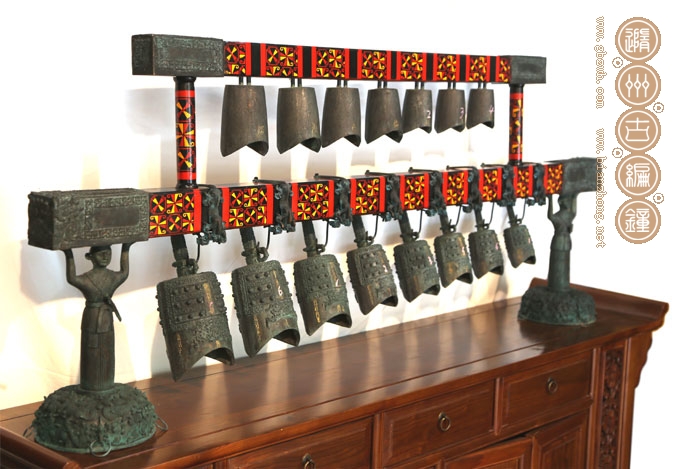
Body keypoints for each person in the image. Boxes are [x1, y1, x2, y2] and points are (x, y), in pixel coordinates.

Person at [63, 243, 132, 392]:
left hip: (106, 318)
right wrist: (68, 253)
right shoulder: (86, 279)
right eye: (101, 254)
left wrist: (126, 248)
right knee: (91, 351)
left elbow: (125, 272)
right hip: (92, 318)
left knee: (107, 350)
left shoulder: (113, 277)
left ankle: (106, 385)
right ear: (90, 257)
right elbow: (72, 278)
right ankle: (91, 386)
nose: (105, 256)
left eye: (109, 253)